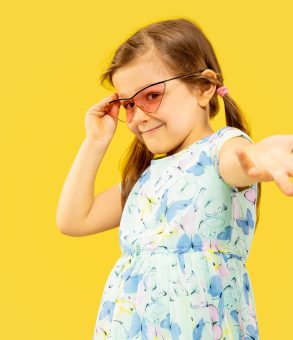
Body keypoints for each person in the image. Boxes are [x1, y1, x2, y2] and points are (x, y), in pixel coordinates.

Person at [56, 18, 293, 339]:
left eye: (151, 96)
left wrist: (262, 155)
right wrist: (95, 142)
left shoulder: (222, 150)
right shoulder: (144, 179)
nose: (137, 116)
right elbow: (73, 220)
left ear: (204, 87)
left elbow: (241, 163)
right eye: (128, 104)